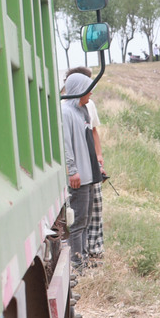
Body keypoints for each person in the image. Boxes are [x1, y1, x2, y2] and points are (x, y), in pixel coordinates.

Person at [61, 72, 101, 271]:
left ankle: (83, 258)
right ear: (78, 89)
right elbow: (65, 143)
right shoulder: (65, 112)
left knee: (85, 220)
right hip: (78, 177)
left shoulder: (82, 111)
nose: (91, 92)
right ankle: (77, 264)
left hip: (88, 175)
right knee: (77, 222)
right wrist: (72, 170)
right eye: (88, 88)